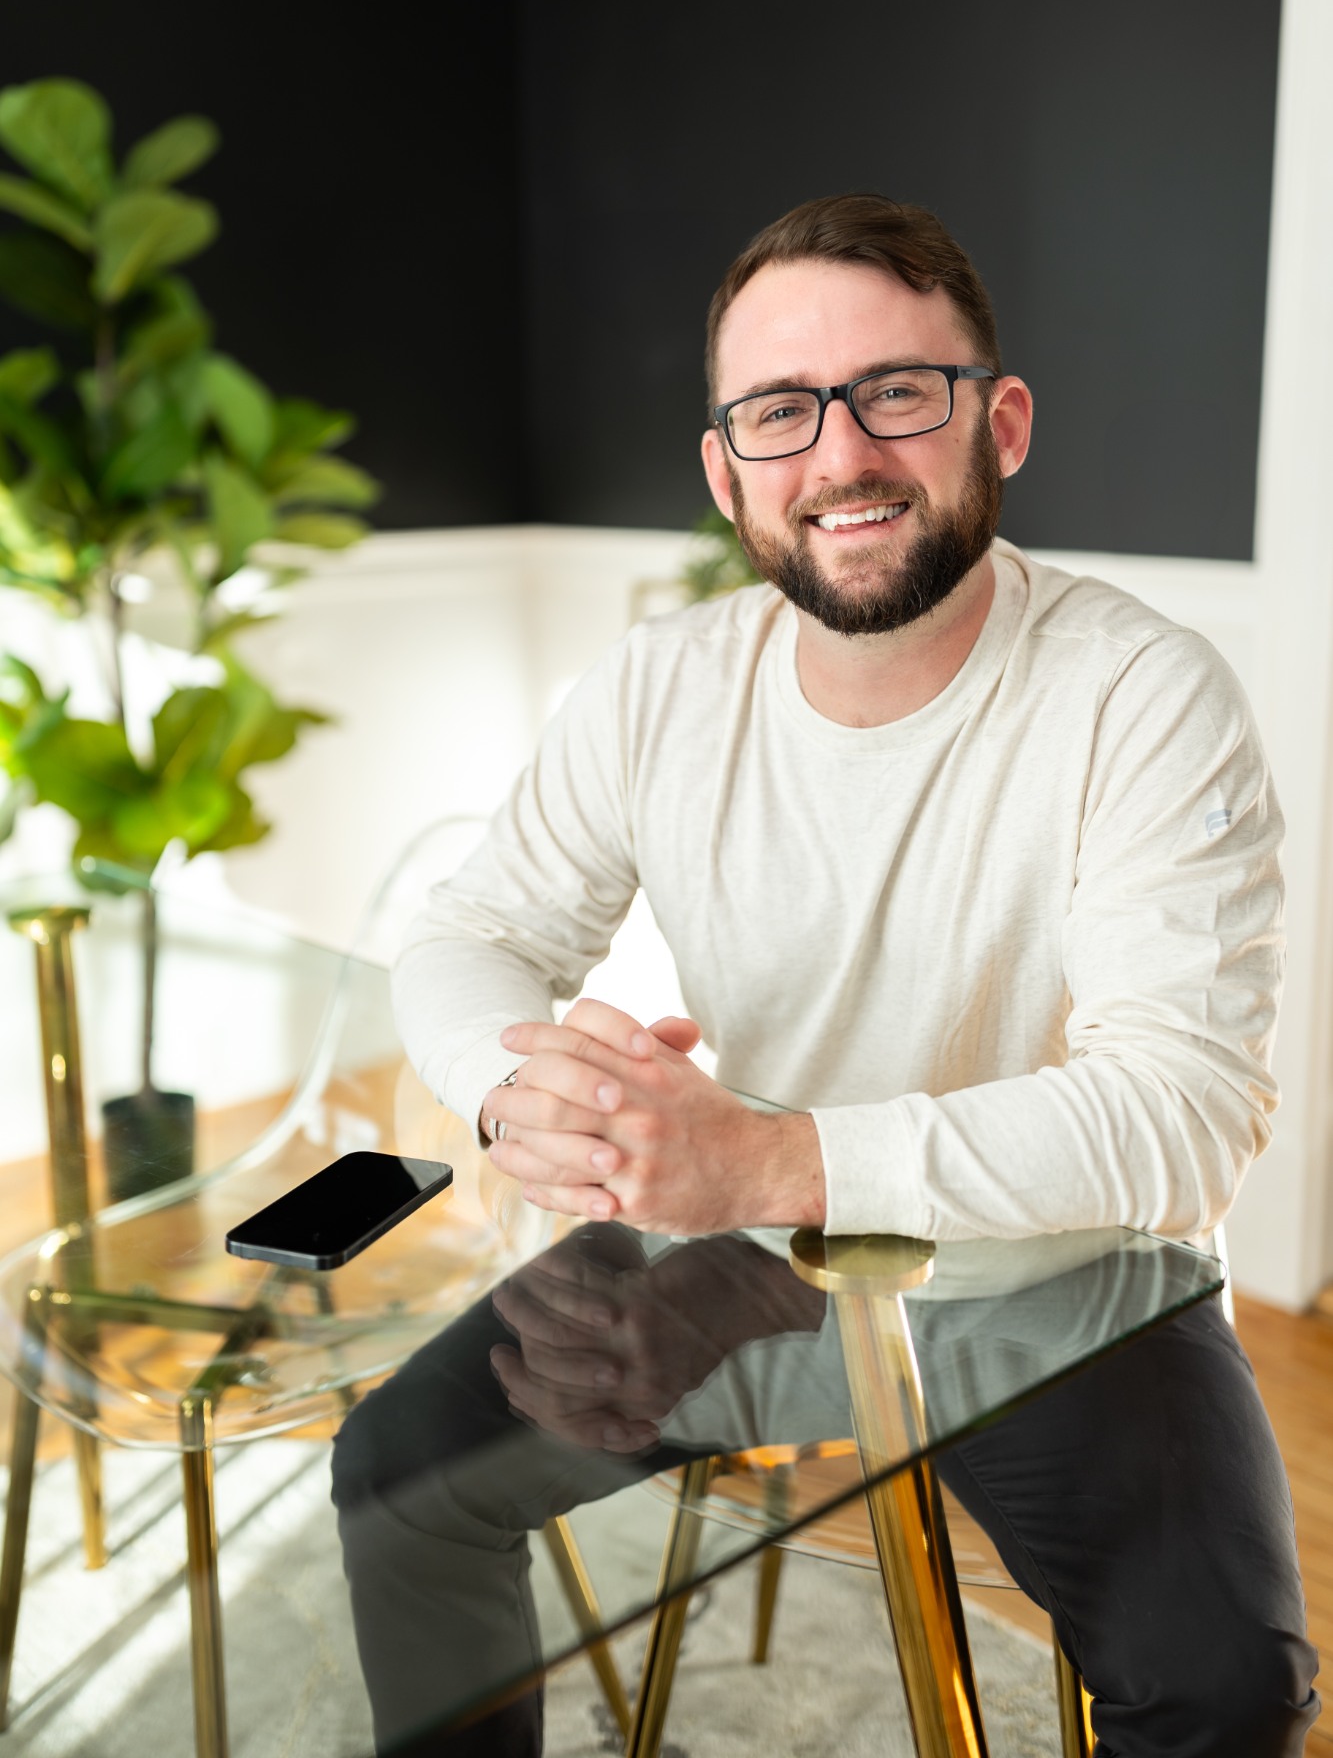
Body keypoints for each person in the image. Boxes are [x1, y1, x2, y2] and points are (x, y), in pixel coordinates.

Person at [376, 193, 1318, 1752]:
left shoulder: (1143, 693)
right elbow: (472, 933)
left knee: (1221, 1691)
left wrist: (766, 1154)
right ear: (723, 468)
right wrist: (509, 1096)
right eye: (776, 411)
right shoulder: (659, 683)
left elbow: (1184, 1112)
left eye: (895, 391)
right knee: (399, 1478)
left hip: (1062, 1276)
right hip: (738, 1254)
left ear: (995, 421)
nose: (838, 455)